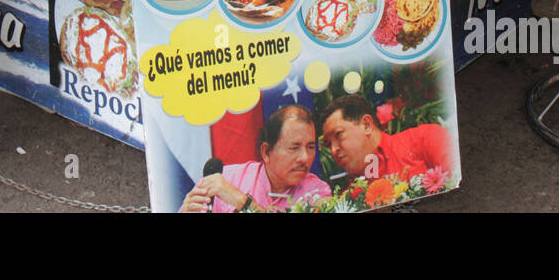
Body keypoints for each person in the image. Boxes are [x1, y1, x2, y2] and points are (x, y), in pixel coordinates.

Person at [180, 105, 330, 212]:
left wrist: (242, 202)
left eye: (310, 147)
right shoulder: (223, 179)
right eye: (294, 148)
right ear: (266, 152)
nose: (305, 158)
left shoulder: (318, 192)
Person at [319, 95, 454, 183]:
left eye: (338, 135)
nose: (333, 150)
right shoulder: (352, 194)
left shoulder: (425, 138)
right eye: (328, 144)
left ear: (366, 125)